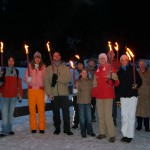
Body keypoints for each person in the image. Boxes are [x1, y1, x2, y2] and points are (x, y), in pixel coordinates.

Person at [92, 53, 119, 143]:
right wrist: (94, 94)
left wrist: (113, 82)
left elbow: (117, 82)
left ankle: (112, 135)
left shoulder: (111, 68)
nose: (102, 59)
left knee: (108, 116)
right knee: (100, 115)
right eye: (100, 58)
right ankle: (102, 133)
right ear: (99, 60)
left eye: (103, 58)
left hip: (108, 95)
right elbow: (94, 83)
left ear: (106, 59)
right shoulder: (97, 70)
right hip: (99, 96)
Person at [44, 51, 73, 135]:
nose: (56, 57)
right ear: (52, 57)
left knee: (66, 112)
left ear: (60, 57)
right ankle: (57, 128)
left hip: (64, 93)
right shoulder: (49, 68)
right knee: (55, 112)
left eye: (58, 56)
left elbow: (68, 79)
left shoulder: (65, 68)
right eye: (54, 56)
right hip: (54, 94)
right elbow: (47, 82)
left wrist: (57, 78)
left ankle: (67, 129)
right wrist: (49, 93)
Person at [117, 54, 142, 143]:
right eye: (122, 60)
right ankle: (125, 134)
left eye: (126, 60)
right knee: (124, 115)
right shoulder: (119, 72)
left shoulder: (133, 70)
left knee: (131, 116)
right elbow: (117, 86)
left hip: (133, 95)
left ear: (128, 61)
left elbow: (139, 81)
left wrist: (137, 85)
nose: (124, 61)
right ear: (120, 61)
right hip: (123, 96)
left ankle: (130, 135)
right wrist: (117, 98)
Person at [0, 56, 23, 137]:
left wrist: (20, 95)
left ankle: (9, 130)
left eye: (12, 61)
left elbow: (19, 84)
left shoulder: (16, 71)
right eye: (9, 60)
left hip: (13, 96)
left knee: (10, 114)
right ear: (7, 62)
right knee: (5, 114)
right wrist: (1, 81)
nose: (11, 62)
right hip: (4, 96)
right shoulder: (2, 71)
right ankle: (4, 131)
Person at [24, 52, 46, 134]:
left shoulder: (43, 67)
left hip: (40, 90)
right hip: (31, 90)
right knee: (32, 109)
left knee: (41, 109)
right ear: (34, 58)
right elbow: (25, 78)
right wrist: (27, 79)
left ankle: (42, 127)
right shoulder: (29, 67)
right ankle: (33, 127)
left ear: (40, 59)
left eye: (39, 57)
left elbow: (45, 79)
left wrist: (46, 91)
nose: (37, 59)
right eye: (36, 57)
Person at [76, 69, 95, 138]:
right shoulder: (78, 81)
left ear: (87, 74)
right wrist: (75, 89)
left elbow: (92, 90)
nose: (84, 74)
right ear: (81, 74)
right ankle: (83, 132)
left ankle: (90, 131)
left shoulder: (90, 81)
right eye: (83, 73)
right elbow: (75, 93)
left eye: (85, 73)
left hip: (88, 101)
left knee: (89, 117)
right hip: (80, 101)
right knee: (82, 118)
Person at [107, 50, 121, 126]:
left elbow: (120, 70)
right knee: (107, 104)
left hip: (115, 84)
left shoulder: (117, 61)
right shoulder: (106, 62)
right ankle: (108, 118)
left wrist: (117, 71)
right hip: (107, 85)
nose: (111, 55)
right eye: (109, 54)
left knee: (114, 103)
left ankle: (114, 118)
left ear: (114, 55)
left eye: (112, 54)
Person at [136, 60, 150, 132]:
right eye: (140, 64)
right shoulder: (137, 73)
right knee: (139, 111)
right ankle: (139, 125)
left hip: (147, 94)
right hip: (139, 93)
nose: (141, 65)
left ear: (145, 65)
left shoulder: (149, 72)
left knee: (146, 112)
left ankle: (147, 126)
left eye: (142, 64)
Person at [72, 61, 84, 129]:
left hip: (84, 94)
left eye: (81, 64)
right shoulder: (73, 72)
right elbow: (70, 81)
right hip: (75, 94)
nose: (79, 66)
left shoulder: (86, 72)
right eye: (78, 64)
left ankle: (83, 122)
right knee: (76, 109)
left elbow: (90, 80)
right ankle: (76, 122)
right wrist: (73, 85)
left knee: (83, 109)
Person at [86, 58, 97, 122]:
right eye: (90, 62)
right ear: (88, 63)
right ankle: (87, 116)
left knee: (93, 104)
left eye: (93, 62)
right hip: (87, 90)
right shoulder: (85, 70)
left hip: (94, 90)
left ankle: (92, 116)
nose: (91, 63)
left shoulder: (97, 70)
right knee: (87, 104)